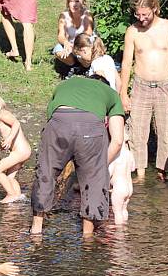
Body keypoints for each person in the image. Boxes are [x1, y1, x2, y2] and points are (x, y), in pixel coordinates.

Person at [31, 75, 125, 237]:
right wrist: (97, 166)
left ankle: (36, 230)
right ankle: (87, 237)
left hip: (59, 122)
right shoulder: (111, 93)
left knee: (46, 172)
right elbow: (117, 141)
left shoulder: (66, 84)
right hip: (91, 128)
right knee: (94, 180)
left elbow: (51, 118)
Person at [119, 0, 168, 181]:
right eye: (138, 14)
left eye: (145, 14)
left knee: (166, 131)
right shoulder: (132, 31)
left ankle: (164, 172)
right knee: (137, 131)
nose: (141, 18)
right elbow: (126, 63)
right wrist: (123, 93)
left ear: (155, 8)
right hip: (140, 85)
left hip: (165, 85)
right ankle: (140, 175)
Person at [0, 93, 32, 203]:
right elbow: (11, 140)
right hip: (22, 151)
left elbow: (16, 123)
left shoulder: (3, 114)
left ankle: (11, 194)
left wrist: (8, 139)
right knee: (9, 177)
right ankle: (18, 196)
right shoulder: (1, 119)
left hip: (20, 151)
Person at [53, 0, 94, 67]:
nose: (74, 4)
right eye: (71, 1)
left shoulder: (87, 15)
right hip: (69, 45)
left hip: (84, 43)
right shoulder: (64, 16)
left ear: (83, 2)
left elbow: (88, 34)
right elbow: (60, 35)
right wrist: (66, 43)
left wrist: (75, 48)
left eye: (77, 1)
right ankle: (74, 64)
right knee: (59, 52)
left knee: (87, 59)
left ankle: (84, 65)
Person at [109, 132, 135, 224]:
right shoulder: (129, 153)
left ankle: (119, 234)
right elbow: (133, 168)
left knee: (117, 212)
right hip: (129, 187)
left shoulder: (115, 155)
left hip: (119, 188)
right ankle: (125, 226)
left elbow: (109, 172)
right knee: (124, 209)